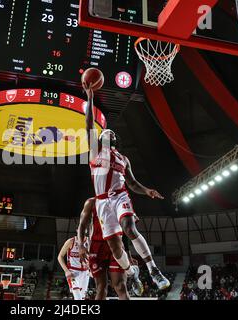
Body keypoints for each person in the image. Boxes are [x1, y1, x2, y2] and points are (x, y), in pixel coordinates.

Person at [83, 83, 170, 290]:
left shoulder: (124, 159)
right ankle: (132, 274)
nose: (108, 133)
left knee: (129, 228)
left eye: (111, 133)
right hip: (102, 202)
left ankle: (154, 270)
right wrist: (90, 98)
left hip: (120, 196)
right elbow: (88, 126)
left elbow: (132, 183)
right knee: (115, 247)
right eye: (105, 132)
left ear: (115, 139)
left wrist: (146, 190)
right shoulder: (94, 152)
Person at [77, 197, 143, 300]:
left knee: (120, 286)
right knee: (101, 287)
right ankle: (132, 272)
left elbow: (125, 230)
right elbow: (82, 225)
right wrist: (80, 245)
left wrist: (128, 254)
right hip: (97, 247)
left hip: (116, 246)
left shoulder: (121, 202)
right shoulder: (91, 202)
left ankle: (132, 273)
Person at [57, 235, 90, 300]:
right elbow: (60, 257)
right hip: (73, 272)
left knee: (82, 298)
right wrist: (66, 271)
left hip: (85, 273)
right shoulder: (71, 241)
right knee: (77, 297)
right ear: (77, 230)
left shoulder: (90, 241)